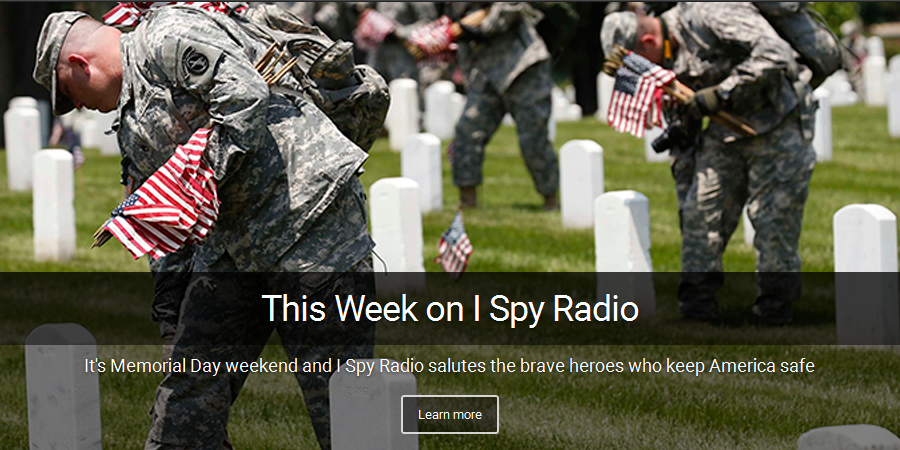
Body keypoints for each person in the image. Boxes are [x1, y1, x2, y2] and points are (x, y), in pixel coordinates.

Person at [35, 8, 378, 449]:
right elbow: (166, 220)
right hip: (232, 251)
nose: (77, 106)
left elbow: (244, 95)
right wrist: (171, 314)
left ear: (81, 65)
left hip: (310, 226)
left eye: (69, 92)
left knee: (341, 400)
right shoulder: (131, 123)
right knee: (185, 403)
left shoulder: (168, 35)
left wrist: (202, 174)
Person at [601, 4, 818, 325]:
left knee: (773, 221)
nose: (643, 75)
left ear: (647, 41)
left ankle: (774, 311)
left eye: (639, 65)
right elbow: (684, 140)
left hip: (778, 122)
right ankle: (697, 307)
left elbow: (775, 52)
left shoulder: (709, 15)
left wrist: (722, 93)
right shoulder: (666, 57)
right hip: (723, 131)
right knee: (701, 213)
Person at [448, 2, 559, 210]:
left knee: (533, 139)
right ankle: (467, 201)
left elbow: (497, 21)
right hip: (485, 73)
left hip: (524, 68)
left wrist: (461, 30)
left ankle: (550, 199)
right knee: (467, 131)